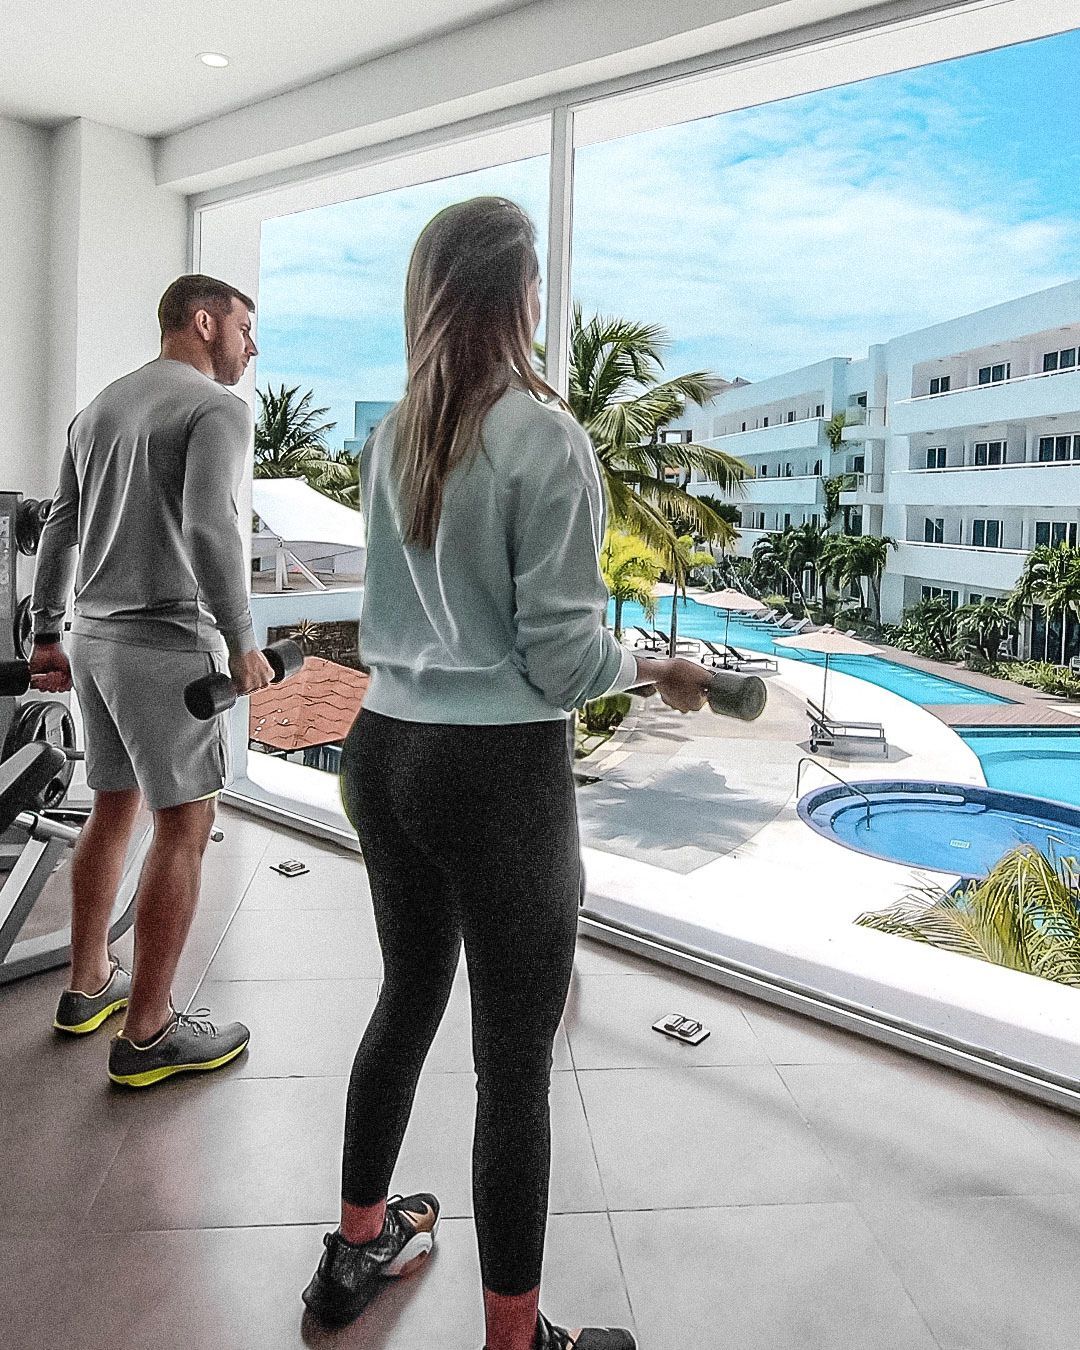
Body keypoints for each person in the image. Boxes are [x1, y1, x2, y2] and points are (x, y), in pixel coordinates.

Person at [301, 198, 713, 1350]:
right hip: (495, 774)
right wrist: (656, 667)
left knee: (406, 999)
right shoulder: (545, 435)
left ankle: (355, 1250)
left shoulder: (396, 435)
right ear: (524, 294)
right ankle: (514, 1336)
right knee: (513, 1062)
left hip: (383, 753)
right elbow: (565, 657)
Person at [30, 273, 275, 1087]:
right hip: (168, 642)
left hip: (95, 639)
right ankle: (149, 1031)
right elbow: (210, 522)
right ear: (204, 323)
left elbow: (59, 528)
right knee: (186, 825)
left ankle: (87, 981)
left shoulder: (98, 408)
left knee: (112, 805)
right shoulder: (217, 409)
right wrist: (242, 639)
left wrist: (45, 630)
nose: (251, 346)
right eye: (245, 327)